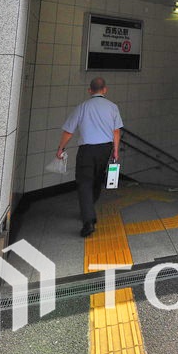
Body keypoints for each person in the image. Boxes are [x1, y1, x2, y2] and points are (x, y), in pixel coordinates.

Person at [56, 77, 122, 237]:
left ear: (90, 90)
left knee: (84, 183)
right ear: (105, 90)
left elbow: (69, 131)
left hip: (86, 150)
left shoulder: (82, 107)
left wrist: (61, 148)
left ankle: (88, 220)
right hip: (105, 149)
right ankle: (88, 210)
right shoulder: (113, 107)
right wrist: (115, 150)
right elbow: (116, 131)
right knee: (97, 180)